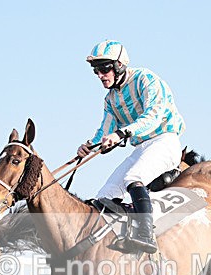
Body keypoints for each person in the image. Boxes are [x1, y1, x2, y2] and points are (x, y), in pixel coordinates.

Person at [77, 40, 185, 254]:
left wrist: (120, 134)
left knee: (133, 178)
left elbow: (153, 116)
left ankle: (146, 235)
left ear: (119, 65)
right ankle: (124, 232)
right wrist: (90, 145)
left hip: (165, 140)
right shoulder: (110, 99)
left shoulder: (146, 79)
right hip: (141, 148)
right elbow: (105, 130)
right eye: (96, 70)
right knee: (104, 197)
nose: (100, 75)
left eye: (104, 68)